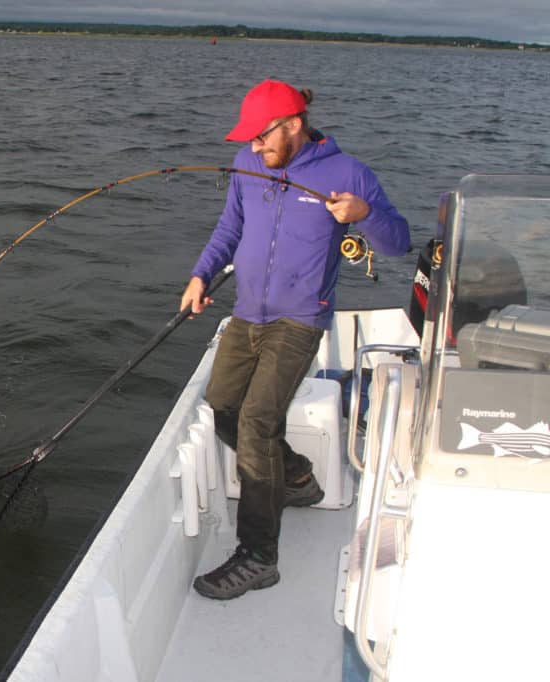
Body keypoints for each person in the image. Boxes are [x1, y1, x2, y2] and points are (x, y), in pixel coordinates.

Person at [180, 79, 410, 600]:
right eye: (253, 141)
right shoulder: (248, 164)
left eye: (263, 138)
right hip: (246, 313)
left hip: (300, 320)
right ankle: (299, 478)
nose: (256, 148)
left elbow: (398, 241)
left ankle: (259, 557)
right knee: (222, 408)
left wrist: (364, 216)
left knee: (258, 424)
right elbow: (228, 229)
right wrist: (200, 275)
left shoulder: (348, 173)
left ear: (293, 126)